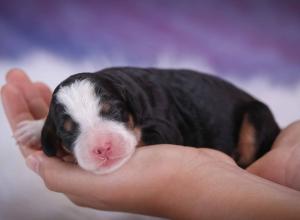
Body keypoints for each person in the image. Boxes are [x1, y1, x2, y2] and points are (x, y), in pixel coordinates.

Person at [2, 69, 300, 220]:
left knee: (254, 125)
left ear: (130, 107)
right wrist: (47, 129)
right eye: (69, 132)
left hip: (245, 122)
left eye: (113, 115)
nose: (100, 144)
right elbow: (65, 125)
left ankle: (246, 165)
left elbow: (163, 133)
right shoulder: (117, 96)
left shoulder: (151, 108)